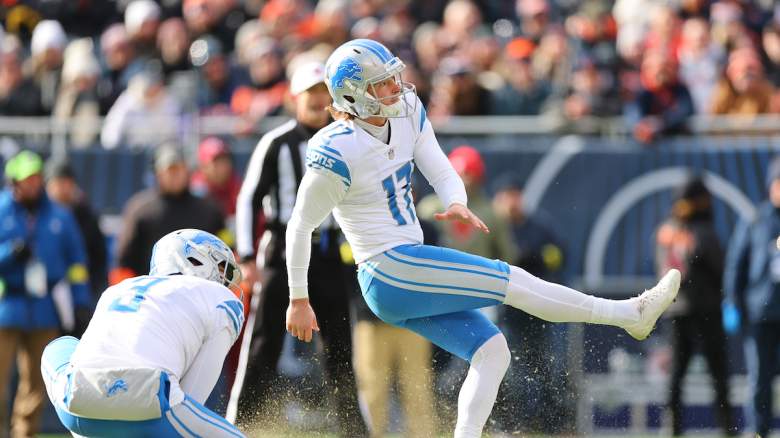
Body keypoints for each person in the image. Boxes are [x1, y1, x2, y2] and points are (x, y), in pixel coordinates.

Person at [284, 38, 681, 438]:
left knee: (492, 351)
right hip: (386, 269)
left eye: (393, 77)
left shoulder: (405, 113)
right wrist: (299, 298)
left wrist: (455, 198)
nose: (395, 87)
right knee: (513, 281)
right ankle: (629, 314)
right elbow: (300, 226)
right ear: (356, 95)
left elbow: (436, 163)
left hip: (403, 265)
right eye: (383, 83)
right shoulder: (336, 150)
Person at [233, 61, 367, 435]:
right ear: (295, 98)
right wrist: (246, 257)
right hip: (281, 251)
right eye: (310, 93)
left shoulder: (347, 140)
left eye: (323, 92)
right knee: (263, 344)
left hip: (327, 251)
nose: (318, 100)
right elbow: (249, 199)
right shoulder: (276, 143)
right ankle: (243, 426)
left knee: (340, 347)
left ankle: (353, 430)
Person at [41, 229, 246, 437]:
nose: (224, 280)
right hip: (149, 401)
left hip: (76, 400)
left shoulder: (117, 290)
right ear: (194, 261)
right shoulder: (220, 298)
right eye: (221, 269)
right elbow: (192, 395)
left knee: (58, 346)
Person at [0, 150, 91, 437]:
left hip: (44, 307)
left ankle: (24, 433)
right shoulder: (1, 210)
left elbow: (77, 262)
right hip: (6, 304)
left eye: (38, 178)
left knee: (37, 381)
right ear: (14, 181)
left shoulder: (60, 217)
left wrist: (79, 302)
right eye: (27, 179)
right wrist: (8, 253)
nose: (34, 184)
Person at [656, 177, 735, 437]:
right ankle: (676, 429)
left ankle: (723, 429)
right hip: (694, 310)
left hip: (689, 310)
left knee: (710, 375)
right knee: (692, 375)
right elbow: (718, 269)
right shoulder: (687, 233)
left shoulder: (674, 232)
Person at [110, 144, 227, 284]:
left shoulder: (209, 210)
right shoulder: (140, 211)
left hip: (201, 295)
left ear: (187, 171)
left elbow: (227, 251)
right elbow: (123, 261)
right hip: (153, 296)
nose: (175, 174)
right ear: (158, 173)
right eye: (170, 170)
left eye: (179, 168)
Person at [724, 156, 780, 438]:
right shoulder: (756, 219)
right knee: (760, 378)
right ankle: (758, 431)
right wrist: (733, 302)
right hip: (761, 312)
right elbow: (737, 262)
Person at [45, 157, 108, 305]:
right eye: (58, 183)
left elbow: (99, 257)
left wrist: (91, 292)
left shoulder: (86, 215)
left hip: (81, 295)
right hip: (47, 297)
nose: (62, 189)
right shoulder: (36, 216)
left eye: (67, 183)